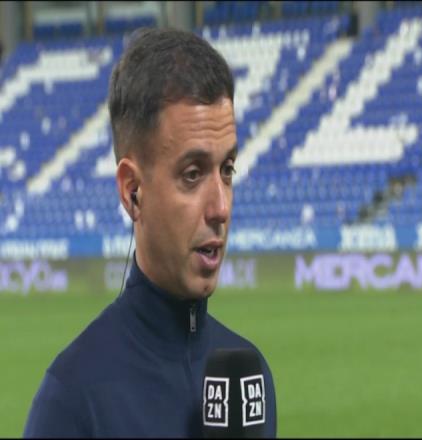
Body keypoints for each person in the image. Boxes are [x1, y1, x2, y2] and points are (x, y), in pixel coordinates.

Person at [24, 27, 277, 438]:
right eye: (192, 174)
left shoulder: (251, 379)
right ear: (132, 191)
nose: (221, 207)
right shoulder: (73, 400)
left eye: (227, 170)